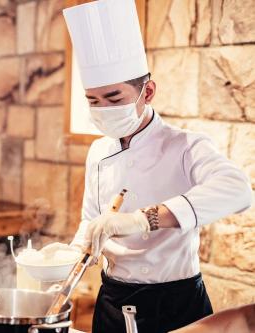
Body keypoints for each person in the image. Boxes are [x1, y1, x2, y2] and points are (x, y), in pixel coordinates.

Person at [46, 0, 253, 332]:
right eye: (93, 101)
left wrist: (142, 219)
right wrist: (67, 258)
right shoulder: (99, 151)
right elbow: (92, 222)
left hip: (177, 302)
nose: (103, 109)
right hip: (113, 301)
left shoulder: (186, 145)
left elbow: (238, 190)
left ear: (148, 91)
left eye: (114, 99)